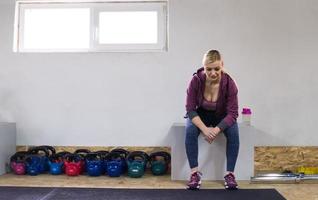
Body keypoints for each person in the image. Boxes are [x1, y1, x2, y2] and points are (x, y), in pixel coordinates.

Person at [184, 49, 239, 190]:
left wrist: (215, 130)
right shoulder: (195, 80)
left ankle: (230, 174)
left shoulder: (230, 83)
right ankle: (194, 174)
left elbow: (233, 113)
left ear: (222, 65)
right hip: (201, 114)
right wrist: (205, 129)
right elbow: (190, 109)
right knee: (190, 130)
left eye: (217, 69)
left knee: (234, 132)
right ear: (204, 67)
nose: (213, 73)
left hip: (222, 115)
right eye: (209, 69)